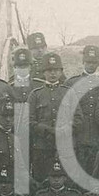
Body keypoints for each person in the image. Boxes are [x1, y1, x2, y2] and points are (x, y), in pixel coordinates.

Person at [65, 45, 99, 174]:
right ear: (83, 62)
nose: (91, 65)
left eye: (94, 62)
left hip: (97, 134)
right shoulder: (71, 83)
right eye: (88, 62)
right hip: (78, 134)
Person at [28, 52, 70, 183]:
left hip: (63, 147)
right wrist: (47, 130)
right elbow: (28, 121)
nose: (53, 74)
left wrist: (64, 130)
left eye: (56, 70)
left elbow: (78, 119)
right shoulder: (35, 95)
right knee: (41, 181)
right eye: (49, 70)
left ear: (61, 72)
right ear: (43, 72)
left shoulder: (68, 92)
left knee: (64, 182)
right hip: (41, 148)